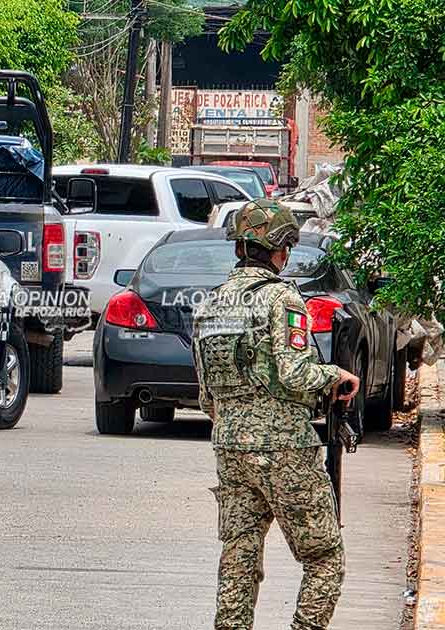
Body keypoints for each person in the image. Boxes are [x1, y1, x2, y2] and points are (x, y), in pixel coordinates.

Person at [192, 199, 361, 630]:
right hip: (284, 446)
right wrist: (336, 376)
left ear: (239, 248)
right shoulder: (282, 298)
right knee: (324, 556)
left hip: (230, 445)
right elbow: (295, 369)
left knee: (239, 555)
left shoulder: (210, 304)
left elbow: (206, 397)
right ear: (281, 249)